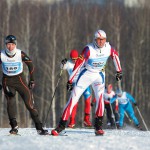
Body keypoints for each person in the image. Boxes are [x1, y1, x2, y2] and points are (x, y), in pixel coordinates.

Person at [51, 29, 122, 136]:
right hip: (86, 75)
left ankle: (98, 127)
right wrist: (70, 80)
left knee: (100, 99)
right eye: (98, 40)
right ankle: (60, 127)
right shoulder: (88, 49)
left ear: (105, 40)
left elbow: (115, 56)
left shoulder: (108, 48)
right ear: (95, 40)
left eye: (103, 39)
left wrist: (119, 71)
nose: (101, 42)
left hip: (99, 75)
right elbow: (78, 64)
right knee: (73, 100)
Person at [0, 35, 48, 135]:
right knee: (10, 98)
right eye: (8, 44)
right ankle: (14, 126)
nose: (10, 47)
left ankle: (39, 128)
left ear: (15, 45)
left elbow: (30, 64)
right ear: (5, 45)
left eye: (12, 45)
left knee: (29, 104)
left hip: (20, 80)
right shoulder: (1, 54)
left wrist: (32, 80)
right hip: (7, 81)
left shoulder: (20, 54)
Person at [61, 49, 92, 128]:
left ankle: (86, 120)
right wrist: (62, 63)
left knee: (88, 100)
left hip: (84, 83)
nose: (75, 61)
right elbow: (62, 67)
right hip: (74, 84)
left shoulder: (82, 61)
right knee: (74, 102)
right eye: (73, 59)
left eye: (76, 59)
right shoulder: (69, 63)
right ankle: (72, 121)